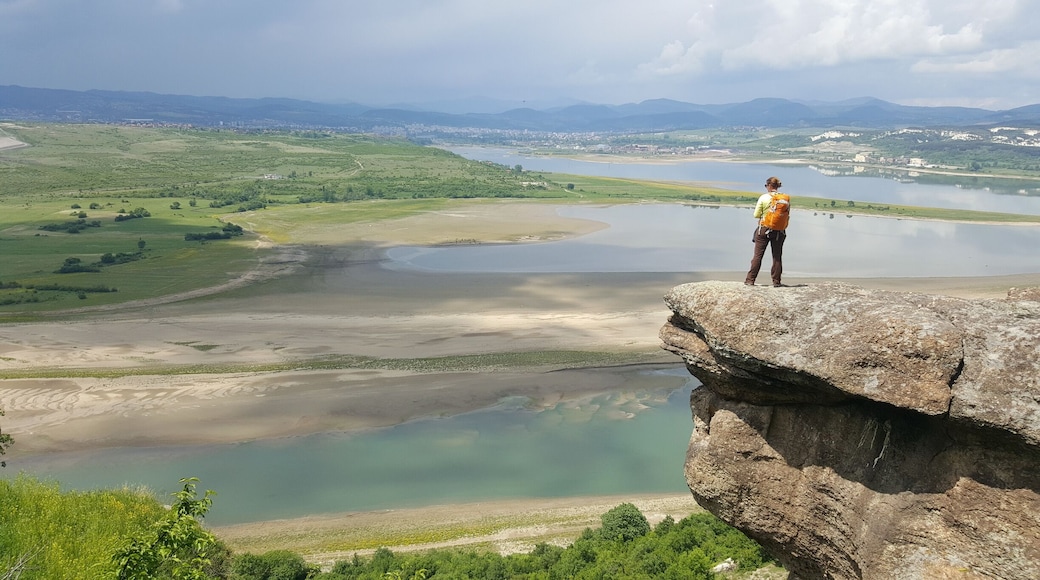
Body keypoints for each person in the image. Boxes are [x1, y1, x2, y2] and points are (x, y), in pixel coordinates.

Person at [744, 176, 787, 287]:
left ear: (768, 185)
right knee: (777, 256)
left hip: (764, 229)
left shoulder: (764, 197)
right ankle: (776, 282)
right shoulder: (785, 198)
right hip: (779, 231)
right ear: (778, 186)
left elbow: (756, 215)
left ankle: (750, 280)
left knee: (758, 256)